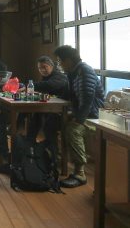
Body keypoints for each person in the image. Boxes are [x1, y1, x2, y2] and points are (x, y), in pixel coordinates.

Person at [54, 45, 104, 188]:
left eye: (60, 61)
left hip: (94, 117)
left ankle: (79, 173)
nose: (59, 65)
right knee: (55, 121)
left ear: (68, 60)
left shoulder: (84, 71)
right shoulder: (73, 73)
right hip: (86, 114)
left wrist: (78, 119)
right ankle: (57, 158)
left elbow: (87, 99)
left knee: (73, 129)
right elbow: (69, 95)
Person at [26, 56, 69, 149]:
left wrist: (30, 85)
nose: (42, 70)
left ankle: (52, 153)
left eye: (45, 67)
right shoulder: (47, 77)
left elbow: (49, 86)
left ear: (51, 66)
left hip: (62, 110)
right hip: (51, 107)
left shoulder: (59, 76)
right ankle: (29, 145)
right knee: (34, 117)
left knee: (48, 125)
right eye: (39, 68)